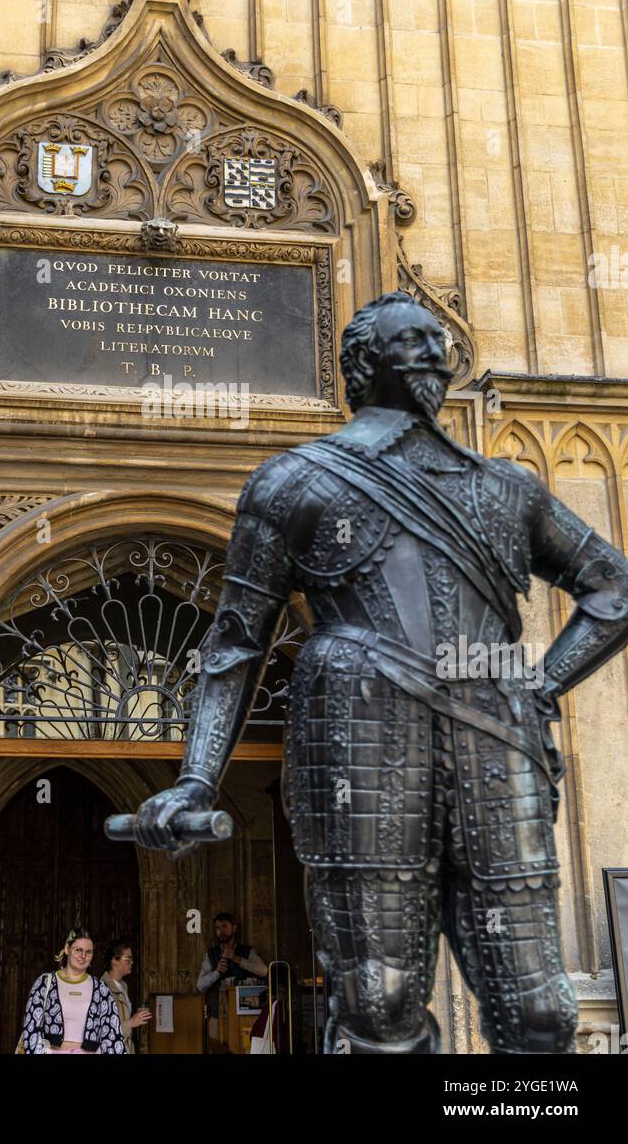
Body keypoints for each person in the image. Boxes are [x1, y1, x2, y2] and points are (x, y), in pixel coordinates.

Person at [131, 290, 628, 1055]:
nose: (432, 353)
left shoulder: (507, 488)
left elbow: (613, 588)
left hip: (496, 748)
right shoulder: (294, 483)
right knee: (379, 1005)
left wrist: (544, 683)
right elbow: (235, 643)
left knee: (540, 1014)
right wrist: (198, 778)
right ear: (363, 362)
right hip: (361, 743)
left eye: (438, 340)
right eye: (411, 341)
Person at [19, 926, 126, 1054]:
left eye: (89, 952)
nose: (83, 956)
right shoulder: (45, 983)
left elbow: (112, 1034)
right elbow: (31, 1027)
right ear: (66, 949)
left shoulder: (100, 989)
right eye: (78, 950)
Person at [196, 913, 267, 1035]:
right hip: (217, 1016)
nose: (221, 931)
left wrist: (237, 959)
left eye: (224, 927)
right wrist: (217, 972)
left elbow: (264, 971)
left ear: (234, 928)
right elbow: (200, 985)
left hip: (245, 1014)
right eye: (218, 928)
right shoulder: (211, 955)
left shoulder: (247, 951)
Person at [100, 941, 151, 1054]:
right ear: (114, 961)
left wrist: (136, 1017)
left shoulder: (123, 986)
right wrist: (132, 1022)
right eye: (128, 959)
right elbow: (104, 1031)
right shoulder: (102, 989)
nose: (132, 962)